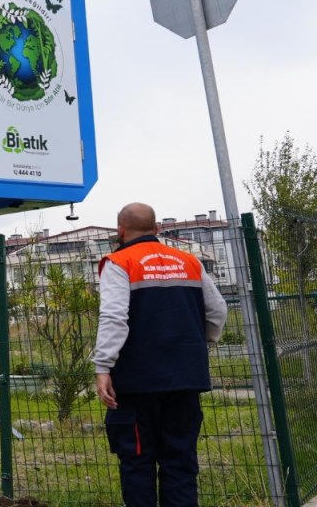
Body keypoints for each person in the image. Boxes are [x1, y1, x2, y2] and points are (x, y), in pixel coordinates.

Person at [93, 202, 227, 507]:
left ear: (120, 230)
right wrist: (200, 342)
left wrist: (103, 366)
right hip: (186, 378)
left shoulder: (119, 262)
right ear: (157, 229)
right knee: (180, 461)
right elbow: (218, 310)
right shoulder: (189, 261)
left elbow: (114, 317)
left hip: (137, 383)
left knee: (137, 461)